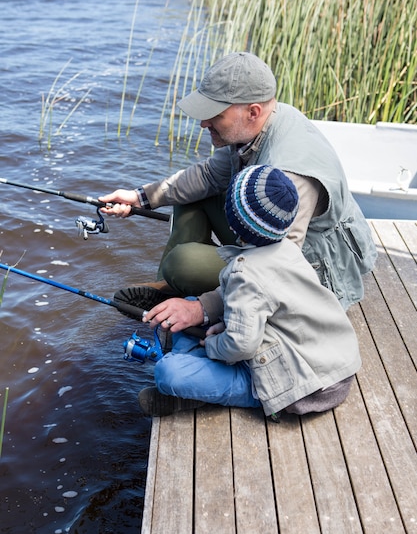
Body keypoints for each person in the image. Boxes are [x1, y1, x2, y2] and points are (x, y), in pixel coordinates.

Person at [100, 51, 377, 331]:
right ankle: (172, 289)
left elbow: (277, 264)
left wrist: (204, 308)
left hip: (311, 266)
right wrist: (140, 197)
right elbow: (208, 176)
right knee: (194, 195)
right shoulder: (257, 127)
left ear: (253, 111)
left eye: (214, 115)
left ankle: (183, 286)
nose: (203, 123)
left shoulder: (290, 173)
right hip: (272, 242)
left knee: (182, 263)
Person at [137, 165, 362, 418]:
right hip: (333, 365)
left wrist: (212, 344)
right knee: (189, 304)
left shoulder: (246, 273)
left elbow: (241, 346)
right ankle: (195, 382)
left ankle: (192, 389)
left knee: (168, 372)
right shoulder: (287, 249)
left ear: (234, 223)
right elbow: (257, 303)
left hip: (305, 389)